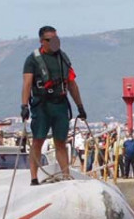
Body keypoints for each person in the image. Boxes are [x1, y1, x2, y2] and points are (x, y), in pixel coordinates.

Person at [21, 25, 86, 185]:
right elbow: (27, 83)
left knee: (61, 142)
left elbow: (72, 84)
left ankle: (65, 175)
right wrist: (24, 106)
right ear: (42, 41)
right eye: (50, 40)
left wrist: (80, 106)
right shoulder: (32, 60)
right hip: (41, 105)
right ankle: (34, 178)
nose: (54, 43)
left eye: (56, 39)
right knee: (38, 140)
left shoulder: (63, 58)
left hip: (60, 104)